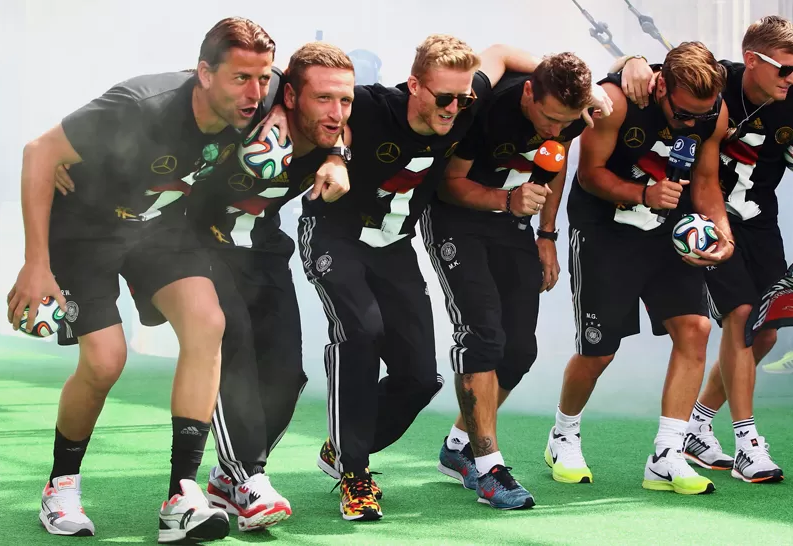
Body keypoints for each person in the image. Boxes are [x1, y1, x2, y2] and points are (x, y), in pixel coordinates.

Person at [260, 34, 606, 520]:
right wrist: (333, 151)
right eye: (442, 97)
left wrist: (592, 90)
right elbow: (320, 107)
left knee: (421, 379)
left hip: (394, 245)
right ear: (415, 85)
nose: (453, 108)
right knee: (361, 334)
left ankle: (344, 446)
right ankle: (355, 476)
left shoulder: (467, 107)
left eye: (463, 98)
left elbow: (505, 55)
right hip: (335, 233)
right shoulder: (375, 105)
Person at [10, 17, 281, 543]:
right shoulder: (141, 104)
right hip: (83, 232)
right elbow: (39, 153)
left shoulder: (264, 103)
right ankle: (60, 485)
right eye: (241, 79)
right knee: (106, 360)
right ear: (204, 73)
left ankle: (183, 494)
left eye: (264, 78)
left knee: (208, 322)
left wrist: (336, 154)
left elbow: (327, 92)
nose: (256, 93)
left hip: (158, 229)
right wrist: (35, 265)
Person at [618, 15, 793, 483]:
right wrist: (633, 60)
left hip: (759, 219)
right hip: (703, 215)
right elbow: (645, 74)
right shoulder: (717, 80)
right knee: (741, 317)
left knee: (766, 332)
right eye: (784, 68)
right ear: (751, 61)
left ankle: (699, 423)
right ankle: (747, 443)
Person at [546, 41, 734, 495]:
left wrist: (723, 234)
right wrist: (643, 195)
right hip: (604, 231)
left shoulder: (713, 113)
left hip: (666, 231)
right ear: (661, 85)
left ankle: (666, 454)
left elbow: (707, 182)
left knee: (696, 329)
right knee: (600, 350)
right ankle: (563, 434)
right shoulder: (617, 101)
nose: (693, 124)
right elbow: (589, 173)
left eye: (701, 117)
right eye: (684, 114)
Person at [186, 42, 355, 532]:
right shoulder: (254, 101)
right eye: (323, 99)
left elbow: (354, 118)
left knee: (286, 374)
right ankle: (250, 478)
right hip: (197, 244)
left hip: (262, 248)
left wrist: (339, 156)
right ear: (291, 95)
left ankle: (225, 477)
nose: (337, 111)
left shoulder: (334, 132)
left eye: (344, 101)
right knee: (232, 348)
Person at [422, 52, 593, 507]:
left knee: (519, 351)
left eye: (568, 121)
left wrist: (548, 235)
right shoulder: (487, 106)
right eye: (551, 118)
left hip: (513, 223)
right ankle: (488, 468)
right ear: (530, 93)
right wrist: (507, 199)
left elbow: (554, 170)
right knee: (483, 337)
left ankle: (458, 448)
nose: (556, 130)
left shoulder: (570, 115)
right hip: (457, 219)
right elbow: (449, 184)